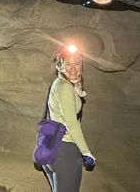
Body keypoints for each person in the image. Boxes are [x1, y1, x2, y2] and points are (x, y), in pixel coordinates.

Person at [42, 44, 96, 192]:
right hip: (65, 152)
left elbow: (63, 108)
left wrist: (77, 89)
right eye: (68, 64)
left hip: (51, 147)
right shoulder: (65, 88)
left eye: (77, 64)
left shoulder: (59, 83)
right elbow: (72, 124)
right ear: (60, 66)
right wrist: (86, 152)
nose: (73, 69)